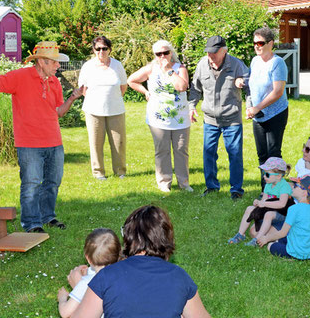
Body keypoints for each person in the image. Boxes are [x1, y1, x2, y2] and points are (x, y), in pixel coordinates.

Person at [0, 41, 84, 233]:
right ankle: (31, 223)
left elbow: (58, 112)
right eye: (54, 62)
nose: (58, 66)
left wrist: (73, 98)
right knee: (31, 184)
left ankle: (48, 217)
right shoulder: (20, 76)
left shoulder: (54, 82)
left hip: (54, 141)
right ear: (42, 62)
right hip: (29, 143)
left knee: (53, 182)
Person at [69, 205, 225, 318]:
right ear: (166, 238)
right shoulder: (178, 275)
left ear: (127, 237)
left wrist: (79, 291)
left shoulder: (106, 276)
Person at [188, 35, 249, 200]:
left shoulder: (236, 65)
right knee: (208, 153)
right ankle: (212, 187)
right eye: (208, 52)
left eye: (214, 53)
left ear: (224, 51)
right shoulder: (202, 64)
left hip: (232, 118)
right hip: (210, 119)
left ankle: (236, 190)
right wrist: (191, 106)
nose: (211, 56)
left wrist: (249, 103)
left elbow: (250, 85)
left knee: (235, 154)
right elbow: (195, 88)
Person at [128, 40, 192, 193]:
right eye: (158, 54)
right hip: (158, 118)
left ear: (171, 53)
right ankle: (164, 183)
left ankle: (184, 183)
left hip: (180, 118)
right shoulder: (151, 69)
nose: (162, 56)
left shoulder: (179, 68)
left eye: (165, 53)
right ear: (155, 55)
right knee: (162, 150)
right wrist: (146, 92)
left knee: (181, 150)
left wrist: (170, 70)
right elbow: (131, 80)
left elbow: (182, 87)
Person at [58, 228, 121, 318]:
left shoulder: (85, 284)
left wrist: (62, 298)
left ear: (88, 258)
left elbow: (64, 313)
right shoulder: (120, 277)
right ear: (118, 255)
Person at [78, 36, 128, 180]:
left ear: (109, 49)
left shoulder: (117, 65)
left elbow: (123, 86)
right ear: (93, 50)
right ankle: (98, 173)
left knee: (119, 143)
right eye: (98, 48)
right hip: (93, 111)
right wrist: (96, 100)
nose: (101, 51)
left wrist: (112, 98)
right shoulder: (88, 66)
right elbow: (83, 89)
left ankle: (120, 172)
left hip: (116, 109)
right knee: (96, 143)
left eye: (104, 48)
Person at [246, 27, 289, 189]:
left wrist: (257, 107)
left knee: (273, 153)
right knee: (262, 154)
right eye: (255, 43)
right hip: (258, 114)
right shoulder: (255, 61)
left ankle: (276, 189)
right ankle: (265, 188)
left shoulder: (278, 63)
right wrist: (249, 106)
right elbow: (251, 86)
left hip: (276, 113)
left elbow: (278, 92)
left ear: (270, 43)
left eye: (260, 43)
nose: (257, 46)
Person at [228, 157, 293, 247]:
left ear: (278, 176)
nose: (264, 176)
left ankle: (256, 240)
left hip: (282, 214)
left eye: (267, 174)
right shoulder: (268, 185)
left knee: (269, 214)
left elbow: (282, 204)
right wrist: (259, 203)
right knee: (249, 208)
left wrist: (264, 203)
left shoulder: (284, 186)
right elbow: (264, 200)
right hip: (269, 210)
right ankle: (240, 234)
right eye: (263, 173)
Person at [257, 176, 310, 260]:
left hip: (296, 252)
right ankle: (303, 249)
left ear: (305, 192)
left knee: (271, 245)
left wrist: (266, 238)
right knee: (283, 238)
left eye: (296, 186)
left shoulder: (294, 209)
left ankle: (290, 257)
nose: (293, 187)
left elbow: (282, 233)